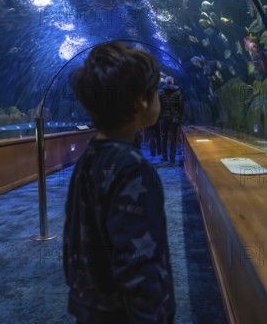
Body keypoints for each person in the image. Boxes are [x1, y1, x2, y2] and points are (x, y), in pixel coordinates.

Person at [64, 42, 176, 324]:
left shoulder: (89, 156)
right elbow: (139, 261)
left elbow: (72, 237)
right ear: (142, 100)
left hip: (91, 307)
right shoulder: (134, 170)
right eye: (155, 91)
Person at [158, 76, 183, 163]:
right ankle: (172, 157)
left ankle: (164, 156)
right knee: (173, 138)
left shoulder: (160, 92)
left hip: (163, 117)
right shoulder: (178, 92)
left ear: (165, 82)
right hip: (174, 117)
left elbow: (158, 106)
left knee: (163, 137)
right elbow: (180, 105)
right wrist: (180, 116)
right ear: (172, 81)